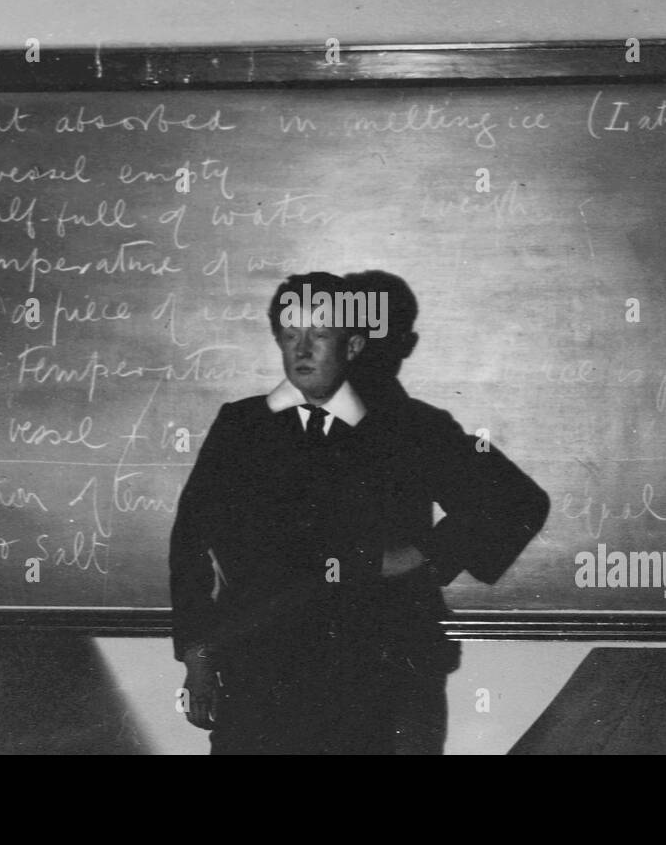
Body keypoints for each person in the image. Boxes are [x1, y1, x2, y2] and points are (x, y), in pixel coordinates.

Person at [169, 271, 549, 754]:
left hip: (381, 678)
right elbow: (190, 545)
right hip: (262, 674)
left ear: (352, 346)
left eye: (320, 335)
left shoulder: (413, 428)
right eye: (290, 336)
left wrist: (423, 553)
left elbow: (517, 502)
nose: (302, 350)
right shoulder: (241, 427)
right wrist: (199, 661)